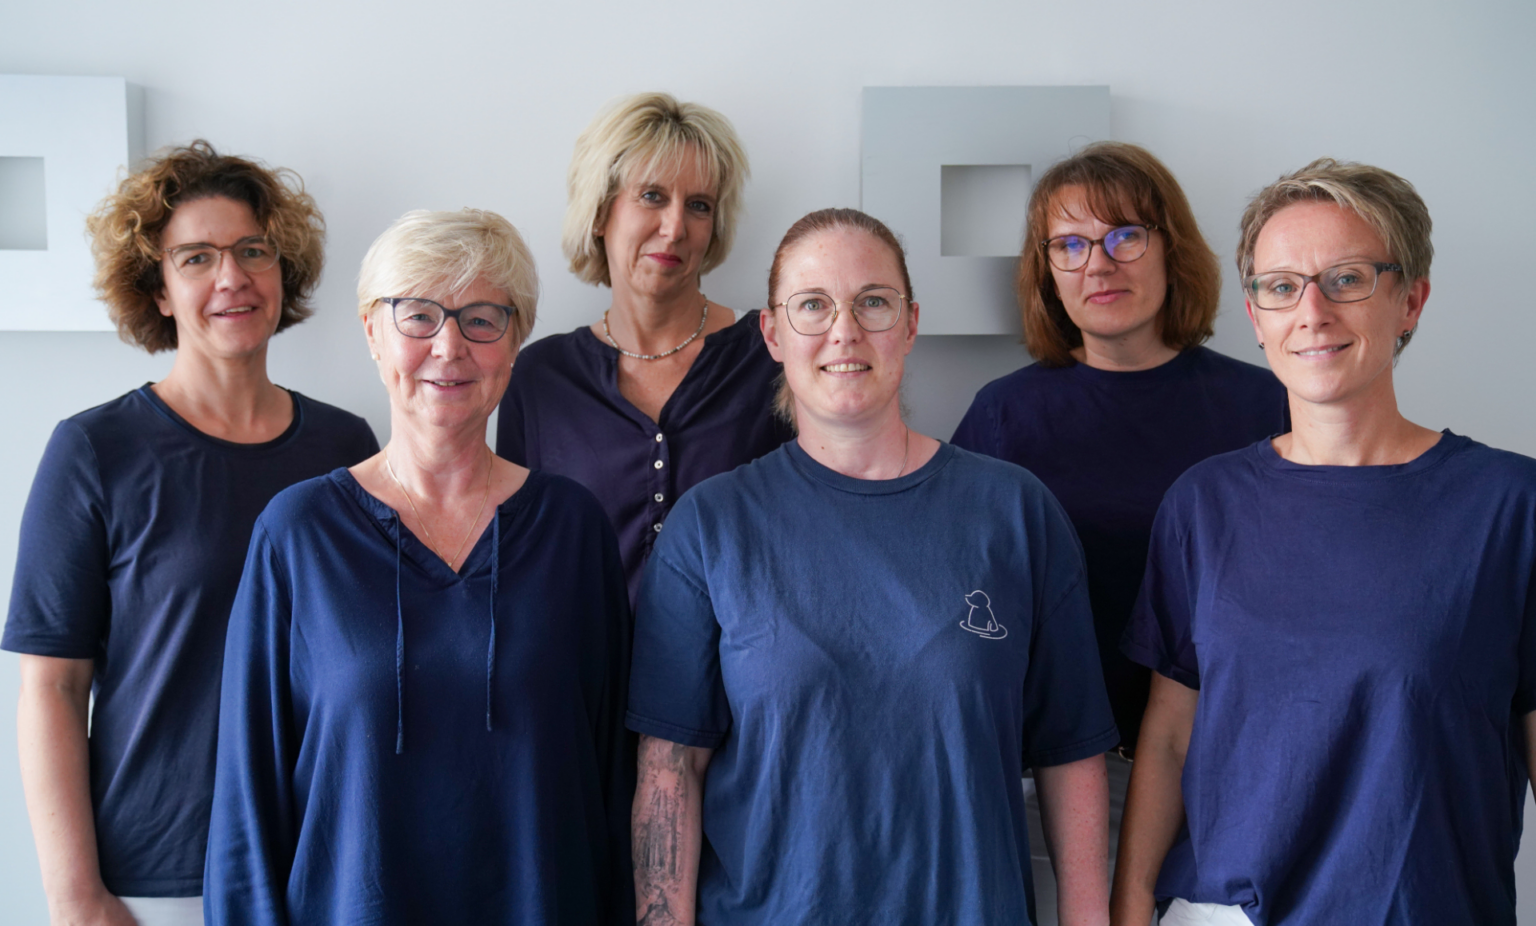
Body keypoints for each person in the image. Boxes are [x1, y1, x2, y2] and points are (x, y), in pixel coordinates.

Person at [627, 208, 1118, 926]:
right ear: (772, 333)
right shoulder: (711, 527)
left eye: (873, 302)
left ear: (910, 323)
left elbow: (1070, 753)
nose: (844, 331)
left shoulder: (1016, 513)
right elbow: (670, 769)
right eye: (813, 305)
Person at [1112, 160, 1536, 925]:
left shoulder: (1509, 507)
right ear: (1256, 315)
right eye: (1282, 286)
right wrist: (1131, 908)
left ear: (1410, 300)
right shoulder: (1204, 505)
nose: (1312, 312)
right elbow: (1171, 737)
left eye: (1346, 279)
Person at [203, 209, 632, 925]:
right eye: (419, 316)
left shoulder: (573, 529)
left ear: (516, 340)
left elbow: (615, 781)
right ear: (373, 332)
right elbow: (248, 799)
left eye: (482, 319)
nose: (449, 346)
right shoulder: (298, 534)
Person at [2, 141, 378, 926]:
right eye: (197, 258)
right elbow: (51, 686)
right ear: (159, 290)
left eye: (253, 251)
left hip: (323, 857)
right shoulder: (96, 450)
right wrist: (75, 896)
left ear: (283, 271)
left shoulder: (345, 447)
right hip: (160, 874)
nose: (231, 277)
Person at [950, 142, 1286, 920]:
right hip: (1066, 779)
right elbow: (960, 602)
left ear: (1171, 246)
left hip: (1231, 774)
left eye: (1124, 235)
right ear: (1046, 271)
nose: (1098, 263)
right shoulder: (1005, 416)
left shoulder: (1263, 405)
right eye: (1069, 245)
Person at [495, 92, 791, 603]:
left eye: (698, 206)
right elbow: (520, 562)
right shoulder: (539, 378)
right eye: (652, 196)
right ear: (599, 213)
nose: (675, 228)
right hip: (584, 656)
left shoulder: (772, 355)